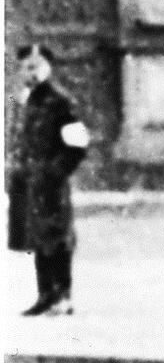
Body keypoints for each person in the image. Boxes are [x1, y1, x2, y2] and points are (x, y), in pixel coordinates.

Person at [11, 46, 91, 316]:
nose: (30, 73)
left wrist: (55, 172)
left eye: (36, 67)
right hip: (31, 182)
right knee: (37, 237)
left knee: (57, 237)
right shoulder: (26, 101)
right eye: (26, 67)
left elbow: (78, 146)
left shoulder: (60, 102)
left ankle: (62, 295)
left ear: (48, 68)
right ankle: (46, 294)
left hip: (51, 184)